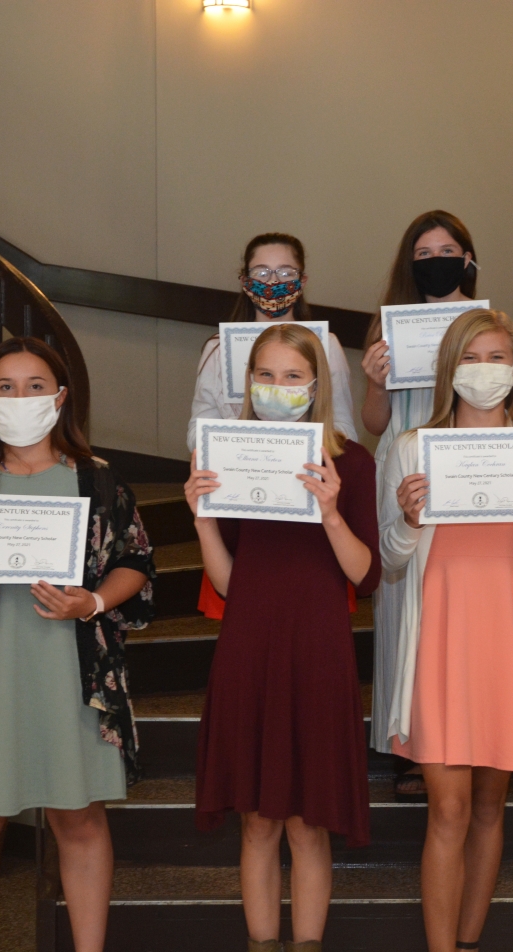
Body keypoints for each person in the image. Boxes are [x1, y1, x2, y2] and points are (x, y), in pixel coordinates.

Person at [0, 337, 156, 952]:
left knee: (79, 817)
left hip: (69, 671)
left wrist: (91, 602)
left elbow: (136, 561)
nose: (21, 398)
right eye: (6, 387)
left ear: (61, 397)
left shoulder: (95, 481)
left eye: (36, 386)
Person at [189, 323, 381, 952]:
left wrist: (328, 511)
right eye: (265, 375)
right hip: (249, 645)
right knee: (257, 821)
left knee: (308, 825)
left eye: (292, 376)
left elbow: (367, 573)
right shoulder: (230, 456)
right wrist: (202, 522)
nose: (277, 387)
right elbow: (229, 581)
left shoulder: (351, 460)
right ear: (248, 383)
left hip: (318, 649)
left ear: (317, 383)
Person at [380, 308, 513, 952]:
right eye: (469, 358)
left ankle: (468, 941)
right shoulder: (411, 450)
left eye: (495, 358)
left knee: (490, 807)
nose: (483, 371)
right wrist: (407, 517)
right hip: (440, 643)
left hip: (505, 643)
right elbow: (392, 558)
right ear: (447, 369)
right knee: (449, 810)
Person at [361, 210, 481, 800]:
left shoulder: (487, 322)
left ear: (468, 258)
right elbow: (371, 423)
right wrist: (376, 383)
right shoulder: (389, 326)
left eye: (448, 249)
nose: (437, 260)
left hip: (469, 469)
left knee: (460, 601)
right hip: (402, 468)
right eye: (425, 252)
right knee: (402, 601)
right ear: (410, 262)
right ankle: (407, 740)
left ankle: (466, 730)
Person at [188, 232, 359, 621]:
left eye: (285, 271)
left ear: (302, 279)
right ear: (244, 281)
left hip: (306, 503)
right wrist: (238, 440)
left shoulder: (326, 345)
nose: (272, 280)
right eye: (261, 271)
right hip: (241, 500)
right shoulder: (217, 348)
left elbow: (343, 427)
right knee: (245, 622)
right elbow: (197, 428)